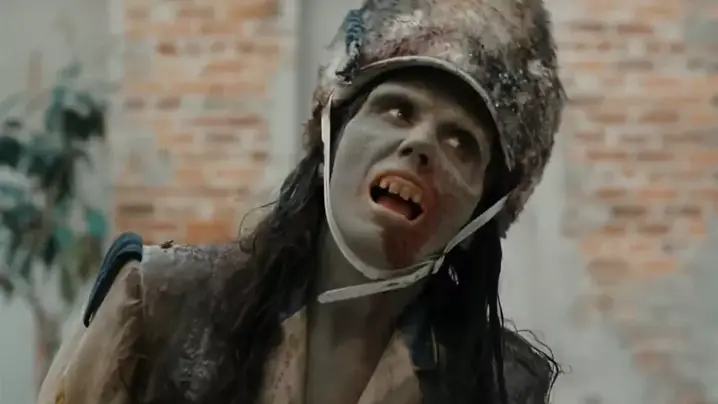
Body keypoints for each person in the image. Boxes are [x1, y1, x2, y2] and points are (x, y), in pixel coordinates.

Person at [37, 0, 565, 403]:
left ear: (483, 212)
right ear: (331, 134)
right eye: (397, 110)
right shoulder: (157, 302)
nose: (421, 144)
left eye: (461, 143)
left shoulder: (499, 387)